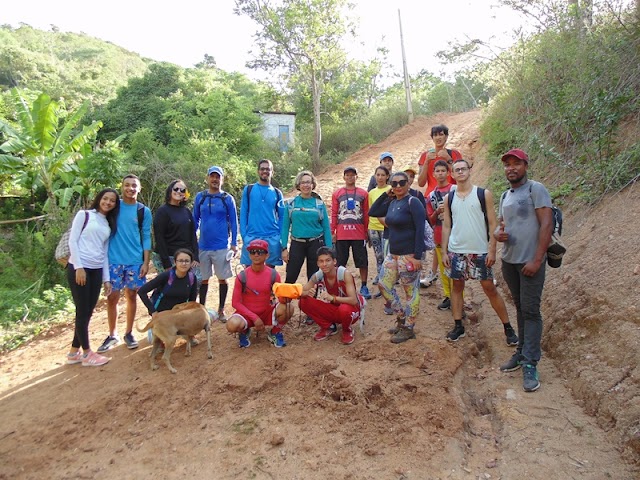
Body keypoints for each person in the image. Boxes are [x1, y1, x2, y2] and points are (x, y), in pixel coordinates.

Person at [441, 159, 518, 346]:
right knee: (457, 287)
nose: (460, 172)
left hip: (479, 250)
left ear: (469, 171)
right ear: (452, 174)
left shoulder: (483, 194)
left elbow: (493, 223)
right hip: (457, 250)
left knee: (489, 288)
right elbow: (446, 225)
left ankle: (508, 327)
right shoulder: (449, 198)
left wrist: (492, 250)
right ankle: (458, 325)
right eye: (457, 170)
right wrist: (444, 252)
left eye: (463, 169)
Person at [495, 149, 553, 393]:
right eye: (507, 164)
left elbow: (547, 223)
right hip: (510, 261)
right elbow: (500, 226)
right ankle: (520, 352)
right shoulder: (504, 195)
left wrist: (538, 260)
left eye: (516, 163)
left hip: (530, 262)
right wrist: (499, 235)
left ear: (525, 165)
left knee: (531, 311)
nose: (511, 168)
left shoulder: (535, 189)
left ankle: (530, 362)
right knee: (520, 307)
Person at [65, 188, 120, 367]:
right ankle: (87, 353)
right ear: (99, 199)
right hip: (80, 268)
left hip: (97, 269)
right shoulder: (85, 215)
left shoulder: (108, 223)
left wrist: (106, 279)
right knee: (82, 310)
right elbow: (72, 240)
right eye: (105, 199)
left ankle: (74, 352)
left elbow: (104, 253)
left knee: (87, 311)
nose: (108, 203)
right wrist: (78, 267)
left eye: (112, 201)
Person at [98, 174, 152, 353]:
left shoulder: (143, 211)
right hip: (113, 260)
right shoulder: (114, 207)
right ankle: (113, 334)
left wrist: (146, 262)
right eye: (127, 185)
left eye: (134, 185)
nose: (130, 188)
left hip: (135, 261)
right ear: (122, 187)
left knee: (131, 295)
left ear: (139, 188)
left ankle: (129, 332)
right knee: (112, 297)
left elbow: (146, 237)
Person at [369, 171, 425, 344]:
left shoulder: (413, 202)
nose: (398, 186)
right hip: (392, 255)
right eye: (394, 183)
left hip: (408, 256)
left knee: (410, 292)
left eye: (402, 183)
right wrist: (387, 193)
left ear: (408, 183)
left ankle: (409, 328)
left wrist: (417, 257)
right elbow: (373, 211)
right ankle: (401, 316)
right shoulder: (393, 202)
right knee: (383, 285)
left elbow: (420, 229)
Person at [226, 239, 293, 348]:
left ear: (267, 255)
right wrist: (254, 318)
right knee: (231, 325)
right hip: (247, 315)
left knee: (289, 308)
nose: (256, 255)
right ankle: (244, 331)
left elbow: (280, 298)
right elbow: (235, 303)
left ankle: (275, 332)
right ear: (249, 255)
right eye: (253, 252)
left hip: (266, 312)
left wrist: (287, 298)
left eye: (260, 252)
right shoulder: (242, 276)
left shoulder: (273, 275)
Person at [193, 166, 238, 323]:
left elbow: (233, 220)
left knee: (222, 278)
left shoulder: (227, 198)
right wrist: (192, 241)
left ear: (222, 179)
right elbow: (195, 219)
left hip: (221, 246)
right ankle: (202, 310)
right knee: (204, 279)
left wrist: (233, 243)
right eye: (212, 176)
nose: (215, 179)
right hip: (203, 246)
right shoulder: (201, 197)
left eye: (217, 177)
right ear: (207, 178)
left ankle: (221, 310)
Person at [299, 246, 362, 345]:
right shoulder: (318, 275)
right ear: (318, 263)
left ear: (334, 261)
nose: (324, 264)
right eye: (321, 261)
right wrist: (307, 293)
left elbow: (354, 300)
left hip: (350, 309)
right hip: (333, 308)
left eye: (328, 260)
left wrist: (333, 298)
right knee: (303, 301)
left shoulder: (345, 274)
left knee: (344, 309)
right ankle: (328, 327)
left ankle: (347, 330)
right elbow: (300, 291)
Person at [281, 170, 332, 283]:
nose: (306, 185)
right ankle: (285, 300)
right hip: (297, 243)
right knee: (291, 275)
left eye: (308, 182)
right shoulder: (291, 204)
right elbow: (285, 227)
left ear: (313, 184)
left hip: (316, 243)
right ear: (298, 185)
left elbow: (326, 227)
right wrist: (284, 248)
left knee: (314, 278)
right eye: (303, 182)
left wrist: (329, 249)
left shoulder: (319, 204)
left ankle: (311, 300)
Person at [331, 166, 371, 300]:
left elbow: (366, 214)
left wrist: (366, 231)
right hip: (342, 234)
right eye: (347, 175)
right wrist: (333, 232)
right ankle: (340, 286)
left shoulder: (363, 193)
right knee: (340, 262)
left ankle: (364, 285)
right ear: (344, 177)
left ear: (356, 177)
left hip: (358, 234)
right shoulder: (337, 194)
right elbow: (334, 213)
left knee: (362, 261)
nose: (350, 177)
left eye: (352, 175)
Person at [239, 159, 285, 268]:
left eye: (268, 169)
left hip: (272, 237)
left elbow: (283, 217)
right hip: (252, 237)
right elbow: (243, 213)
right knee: (250, 273)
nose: (265, 171)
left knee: (269, 274)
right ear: (258, 171)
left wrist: (279, 237)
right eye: (262, 169)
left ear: (272, 172)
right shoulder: (249, 189)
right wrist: (244, 236)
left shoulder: (277, 193)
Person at [138, 248, 199, 326]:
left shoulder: (192, 278)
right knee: (167, 337)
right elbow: (142, 291)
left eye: (187, 261)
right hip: (161, 315)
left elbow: (192, 301)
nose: (184, 264)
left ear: (191, 263)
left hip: (178, 315)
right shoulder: (166, 276)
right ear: (175, 262)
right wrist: (153, 311)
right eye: (180, 261)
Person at [152, 179, 199, 278]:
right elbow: (159, 238)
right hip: (168, 256)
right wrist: (166, 263)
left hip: (186, 256)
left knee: (196, 281)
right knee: (170, 287)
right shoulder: (162, 212)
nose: (179, 192)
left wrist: (195, 256)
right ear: (170, 190)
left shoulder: (186, 211)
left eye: (182, 190)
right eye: (176, 189)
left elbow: (192, 236)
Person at [426, 160, 455, 310]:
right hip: (438, 234)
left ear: (448, 173)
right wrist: (437, 212)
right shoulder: (431, 195)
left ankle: (459, 298)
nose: (440, 173)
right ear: (433, 174)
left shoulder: (455, 190)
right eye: (437, 171)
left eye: (443, 171)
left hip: (456, 236)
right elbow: (430, 219)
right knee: (444, 269)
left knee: (457, 268)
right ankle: (448, 296)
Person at [416, 124, 462, 196]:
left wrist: (448, 159)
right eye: (435, 135)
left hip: (452, 194)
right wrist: (426, 162)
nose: (438, 138)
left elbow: (460, 176)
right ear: (432, 138)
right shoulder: (425, 156)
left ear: (446, 137)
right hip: (432, 196)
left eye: (441, 134)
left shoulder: (454, 154)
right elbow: (421, 183)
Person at [367, 165, 391, 295]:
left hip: (386, 227)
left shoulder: (391, 190)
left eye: (383, 175)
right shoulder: (371, 193)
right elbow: (370, 211)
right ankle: (380, 277)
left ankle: (388, 279)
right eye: (378, 175)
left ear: (387, 176)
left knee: (388, 255)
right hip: (373, 227)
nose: (380, 177)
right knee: (378, 255)